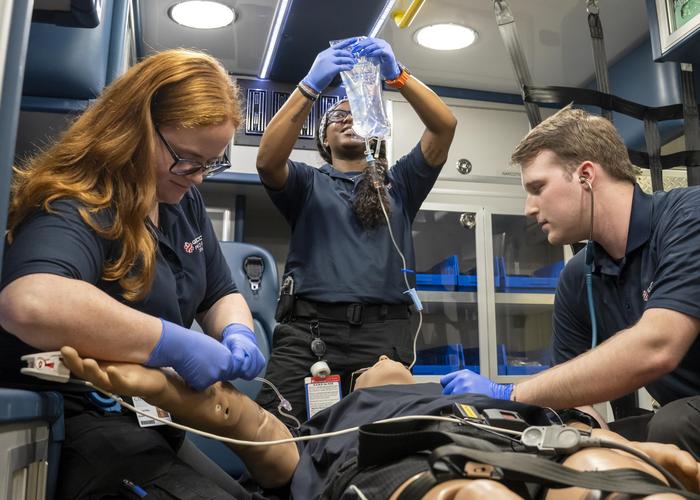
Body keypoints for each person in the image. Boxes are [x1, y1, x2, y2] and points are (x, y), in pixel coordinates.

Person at [0, 49, 266, 498]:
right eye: (187, 159)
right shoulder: (81, 199)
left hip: (149, 418)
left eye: (210, 163)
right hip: (81, 420)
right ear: (137, 129)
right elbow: (30, 302)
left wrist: (238, 330)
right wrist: (172, 343)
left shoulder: (182, 202)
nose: (199, 177)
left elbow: (219, 292)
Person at [60, 346, 700, 499]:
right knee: (470, 494)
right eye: (370, 368)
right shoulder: (337, 419)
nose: (382, 364)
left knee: (599, 475)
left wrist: (623, 451)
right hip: (406, 460)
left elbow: (579, 433)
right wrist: (166, 386)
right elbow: (250, 423)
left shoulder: (485, 391)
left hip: (524, 436)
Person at [440, 105, 700, 459]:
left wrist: (510, 394)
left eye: (537, 187)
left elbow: (657, 346)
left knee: (671, 426)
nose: (529, 208)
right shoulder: (579, 277)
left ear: (586, 175)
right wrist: (582, 438)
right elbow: (576, 401)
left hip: (683, 418)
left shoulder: (687, 217)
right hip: (684, 414)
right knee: (583, 445)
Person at [255, 36, 457, 421]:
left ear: (374, 130)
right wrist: (310, 86)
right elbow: (267, 161)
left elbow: (444, 126)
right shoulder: (306, 183)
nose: (347, 118)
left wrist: (397, 76)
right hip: (309, 336)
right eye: (337, 116)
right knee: (278, 435)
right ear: (324, 139)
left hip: (384, 339)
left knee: (381, 441)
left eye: (356, 112)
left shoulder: (400, 184)